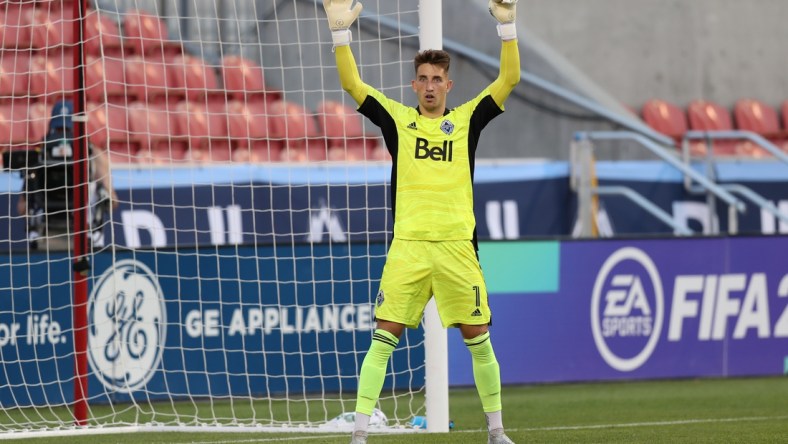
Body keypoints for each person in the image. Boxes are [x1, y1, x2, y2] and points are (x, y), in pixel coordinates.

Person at [322, 0, 520, 443]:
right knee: (382, 337)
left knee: (479, 338)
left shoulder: (468, 120)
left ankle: (496, 431)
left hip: (455, 247)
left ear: (448, 84)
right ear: (414, 85)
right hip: (409, 247)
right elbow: (353, 85)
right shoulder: (399, 121)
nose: (430, 87)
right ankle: (358, 434)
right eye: (423, 80)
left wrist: (507, 28)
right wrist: (340, 36)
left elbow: (509, 79)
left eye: (437, 80)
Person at [16, 100, 117, 251]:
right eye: (59, 129)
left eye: (66, 129)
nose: (63, 135)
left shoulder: (93, 156)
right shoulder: (40, 155)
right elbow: (23, 208)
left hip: (84, 232)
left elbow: (111, 201)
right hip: (47, 234)